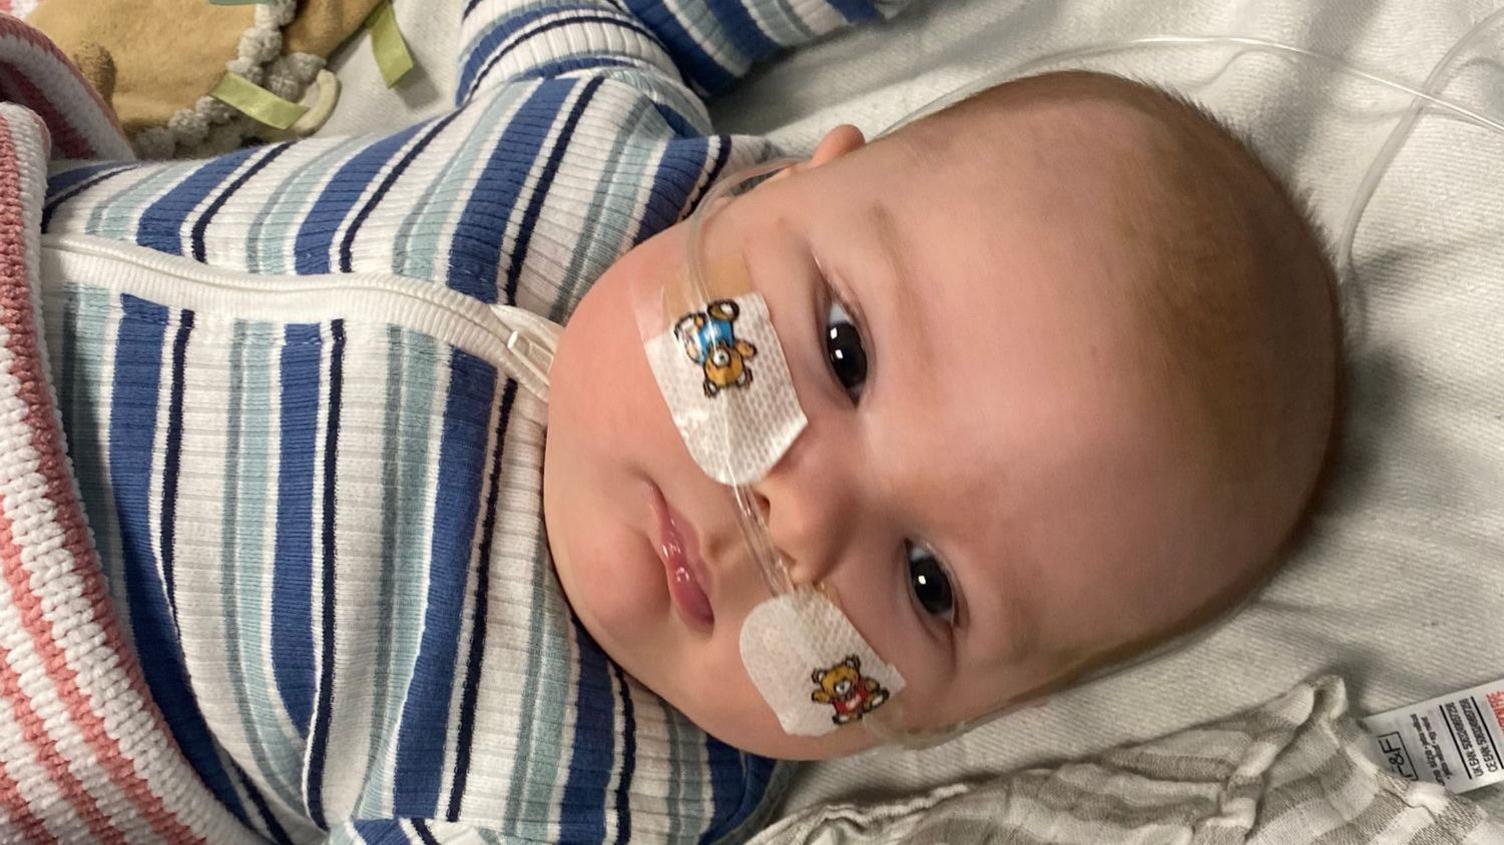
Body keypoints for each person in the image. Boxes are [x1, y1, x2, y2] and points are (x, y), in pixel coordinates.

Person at [4, 0, 1335, 841]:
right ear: (797, 184)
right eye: (842, 349)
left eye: (929, 586)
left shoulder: (582, 791)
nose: (800, 523)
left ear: (948, 718)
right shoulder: (604, 144)